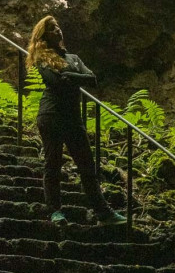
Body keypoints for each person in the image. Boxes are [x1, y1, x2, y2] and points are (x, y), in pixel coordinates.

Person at [26, 15, 126, 226]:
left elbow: (92, 79)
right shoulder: (41, 57)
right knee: (53, 163)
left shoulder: (73, 58)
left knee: (87, 166)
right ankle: (55, 211)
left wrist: (69, 76)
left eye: (58, 27)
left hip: (73, 118)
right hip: (51, 115)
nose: (58, 30)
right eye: (52, 29)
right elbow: (54, 81)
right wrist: (75, 78)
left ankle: (103, 213)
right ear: (43, 35)